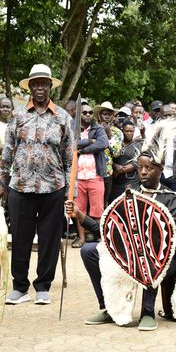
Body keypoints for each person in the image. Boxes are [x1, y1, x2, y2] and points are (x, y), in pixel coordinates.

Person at [76, 146, 176, 331]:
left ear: (160, 170)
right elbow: (110, 229)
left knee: (148, 256)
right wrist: (80, 215)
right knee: (89, 251)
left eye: (150, 168)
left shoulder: (171, 200)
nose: (144, 172)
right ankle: (110, 307)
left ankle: (147, 312)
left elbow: (170, 241)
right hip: (129, 255)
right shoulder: (129, 195)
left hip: (162, 260)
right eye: (140, 167)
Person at [0, 64, 73, 305]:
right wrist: (1, 183)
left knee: (49, 238)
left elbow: (69, 157)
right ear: (30, 87)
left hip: (53, 188)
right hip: (20, 186)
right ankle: (19, 287)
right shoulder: (18, 115)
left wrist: (70, 191)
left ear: (50, 87)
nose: (40, 88)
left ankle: (43, 287)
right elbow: (7, 152)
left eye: (44, 83)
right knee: (20, 237)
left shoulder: (62, 117)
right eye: (35, 84)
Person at [73, 103, 109, 248]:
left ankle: (100, 239)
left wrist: (81, 150)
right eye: (84, 113)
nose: (88, 115)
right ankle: (81, 239)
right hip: (77, 177)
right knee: (78, 210)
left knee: (97, 210)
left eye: (90, 112)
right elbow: (70, 144)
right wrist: (89, 141)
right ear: (79, 114)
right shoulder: (73, 128)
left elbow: (103, 143)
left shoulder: (98, 128)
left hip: (95, 175)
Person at [94, 101, 123, 207]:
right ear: (99, 115)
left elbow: (116, 153)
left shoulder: (117, 132)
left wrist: (109, 135)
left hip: (107, 172)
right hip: (92, 170)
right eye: (104, 114)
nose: (106, 117)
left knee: (104, 203)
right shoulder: (92, 129)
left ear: (113, 116)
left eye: (109, 114)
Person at [109, 121, 142, 201]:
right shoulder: (115, 143)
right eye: (127, 131)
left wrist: (120, 170)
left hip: (132, 182)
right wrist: (114, 165)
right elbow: (108, 157)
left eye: (131, 131)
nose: (129, 133)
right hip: (115, 183)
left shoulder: (138, 145)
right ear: (122, 131)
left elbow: (138, 162)